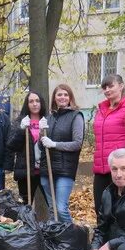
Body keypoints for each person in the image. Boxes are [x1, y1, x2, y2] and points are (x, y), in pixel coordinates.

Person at [91, 74, 125, 214]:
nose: (107, 90)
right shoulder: (101, 110)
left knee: (119, 209)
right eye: (104, 87)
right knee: (100, 209)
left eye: (111, 86)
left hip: (120, 167)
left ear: (121, 86)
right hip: (101, 167)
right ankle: (102, 236)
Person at [39, 84, 84, 223]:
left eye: (65, 94)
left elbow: (77, 144)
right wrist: (41, 134)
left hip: (65, 169)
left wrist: (55, 144)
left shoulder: (76, 116)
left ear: (70, 97)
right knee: (52, 209)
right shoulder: (49, 118)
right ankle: (58, 241)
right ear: (54, 98)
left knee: (61, 208)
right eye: (59, 95)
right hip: (47, 169)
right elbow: (42, 146)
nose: (62, 97)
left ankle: (73, 238)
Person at [7, 90, 47, 203]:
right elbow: (11, 145)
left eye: (37, 101)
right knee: (25, 204)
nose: (35, 104)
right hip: (26, 171)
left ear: (41, 103)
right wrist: (21, 129)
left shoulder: (48, 120)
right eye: (31, 101)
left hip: (45, 171)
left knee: (51, 203)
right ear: (27, 104)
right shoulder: (20, 121)